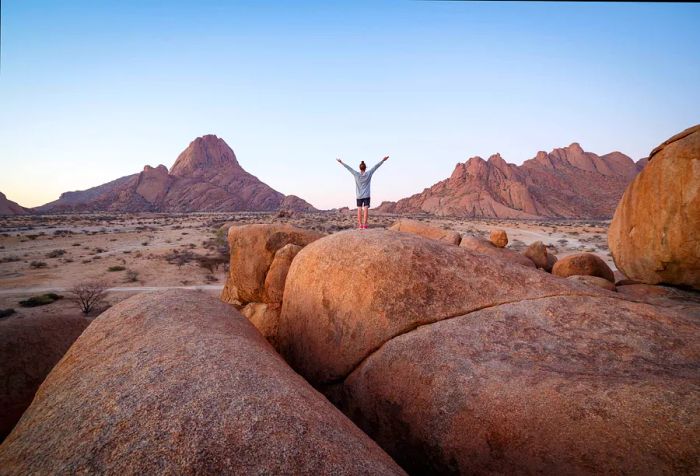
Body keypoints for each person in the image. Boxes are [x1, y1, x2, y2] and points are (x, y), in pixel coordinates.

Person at [337, 156, 389, 229]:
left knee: (359, 210)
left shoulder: (356, 174)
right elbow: (375, 167)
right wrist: (383, 160)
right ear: (365, 168)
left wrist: (341, 162)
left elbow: (349, 168)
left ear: (360, 168)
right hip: (367, 195)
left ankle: (360, 225)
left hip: (359, 196)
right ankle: (365, 225)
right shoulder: (369, 173)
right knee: (366, 210)